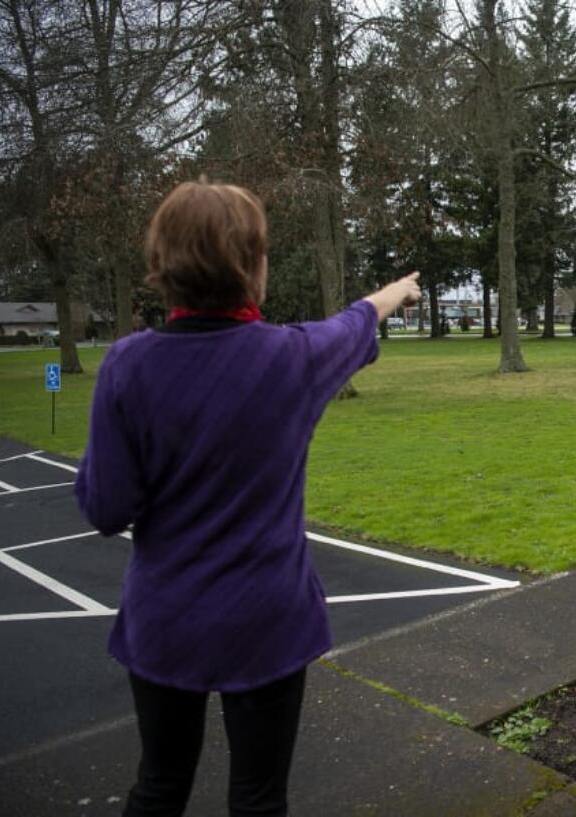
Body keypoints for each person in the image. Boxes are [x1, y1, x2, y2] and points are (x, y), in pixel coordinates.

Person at [74, 179, 421, 817]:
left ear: (162, 265)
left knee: (159, 786)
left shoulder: (127, 366)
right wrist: (394, 294)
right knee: (260, 799)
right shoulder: (292, 358)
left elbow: (105, 507)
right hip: (268, 620)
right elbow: (351, 324)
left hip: (165, 620)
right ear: (252, 265)